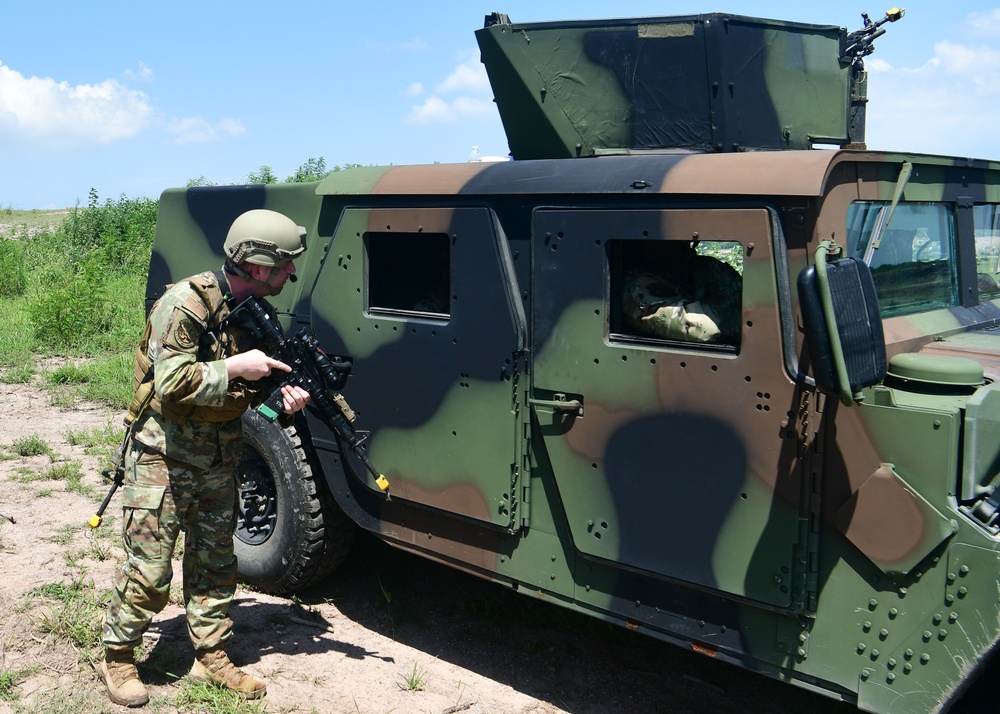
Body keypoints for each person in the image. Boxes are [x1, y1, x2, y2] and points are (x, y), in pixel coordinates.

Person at [98, 209, 312, 707]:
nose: (291, 274)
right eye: (284, 265)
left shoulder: (252, 311)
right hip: (164, 458)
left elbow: (240, 394)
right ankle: (118, 656)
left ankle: (209, 655)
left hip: (219, 456)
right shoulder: (185, 304)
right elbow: (171, 385)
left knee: (216, 563)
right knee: (150, 571)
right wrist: (235, 364)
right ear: (258, 264)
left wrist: (276, 402)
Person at [621, 240, 742, 345]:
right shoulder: (638, 284)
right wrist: (749, 320)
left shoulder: (709, 268)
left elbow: (749, 298)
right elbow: (699, 328)